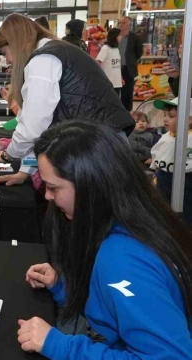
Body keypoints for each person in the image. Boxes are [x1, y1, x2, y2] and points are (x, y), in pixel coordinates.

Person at [18, 121, 192, 359]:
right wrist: (64, 287)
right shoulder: (138, 224)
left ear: (90, 184)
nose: (48, 196)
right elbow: (115, 307)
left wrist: (59, 346)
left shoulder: (124, 260)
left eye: (53, 188)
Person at [0, 14, 134, 187]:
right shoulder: (56, 51)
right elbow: (42, 130)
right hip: (102, 142)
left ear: (15, 43)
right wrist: (25, 170)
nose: (9, 60)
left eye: (6, 52)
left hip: (97, 148)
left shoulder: (43, 60)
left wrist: (9, 155)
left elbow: (34, 125)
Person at [150, 97, 192, 227]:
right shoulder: (166, 136)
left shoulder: (190, 138)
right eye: (165, 115)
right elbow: (157, 152)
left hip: (186, 180)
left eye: (171, 116)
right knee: (163, 206)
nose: (165, 119)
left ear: (189, 119)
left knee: (186, 209)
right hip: (164, 176)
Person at [118, 16, 143, 111]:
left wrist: (131, 60)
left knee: (127, 91)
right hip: (115, 68)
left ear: (129, 25)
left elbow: (139, 52)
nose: (121, 25)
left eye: (123, 23)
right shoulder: (115, 36)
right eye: (120, 22)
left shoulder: (135, 38)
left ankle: (127, 111)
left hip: (128, 68)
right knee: (115, 90)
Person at [96, 28, 122, 96]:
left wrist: (120, 78)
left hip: (117, 82)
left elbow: (117, 66)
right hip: (108, 82)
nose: (121, 37)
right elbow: (98, 62)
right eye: (119, 35)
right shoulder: (105, 48)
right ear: (114, 36)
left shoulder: (116, 49)